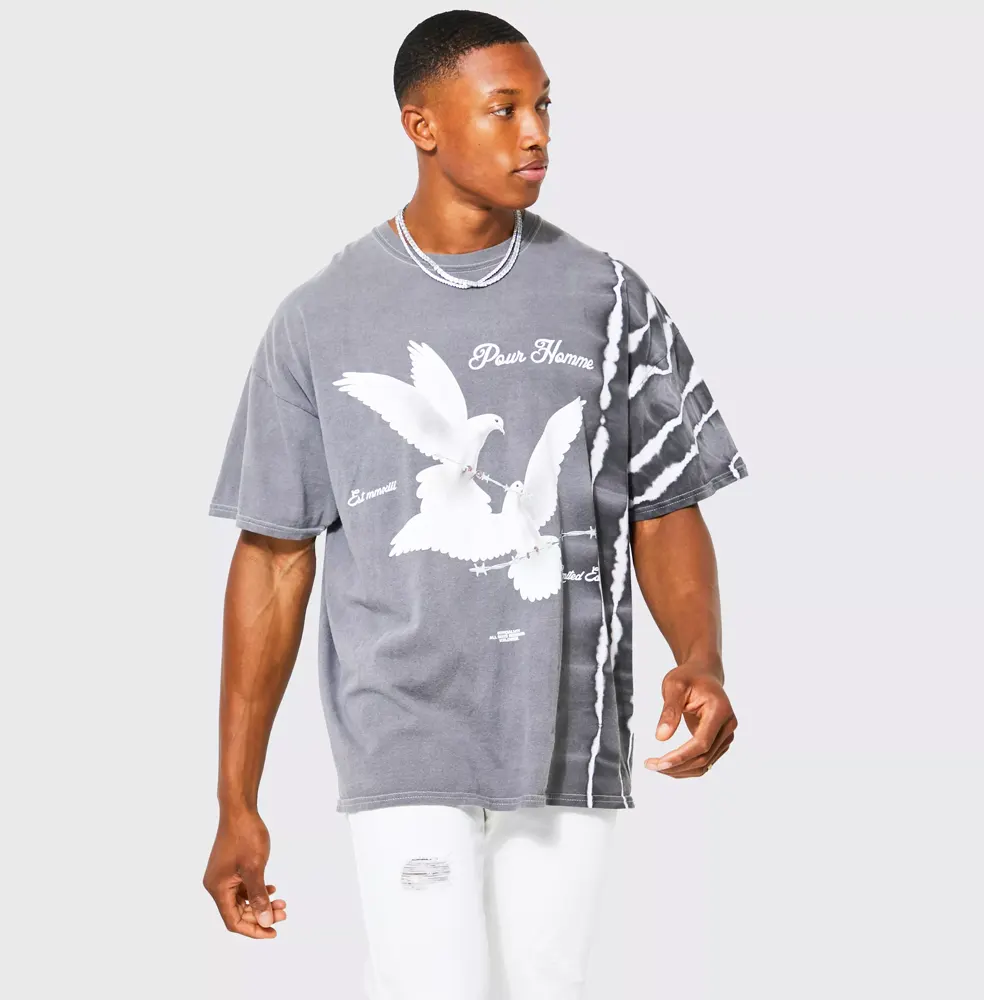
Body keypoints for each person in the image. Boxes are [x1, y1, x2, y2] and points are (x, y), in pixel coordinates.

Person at [201, 10, 748, 999]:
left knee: (547, 985)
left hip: (568, 734)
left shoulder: (608, 297)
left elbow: (665, 501)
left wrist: (700, 657)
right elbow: (274, 555)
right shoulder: (319, 318)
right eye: (504, 110)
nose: (536, 133)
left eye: (544, 108)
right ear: (422, 124)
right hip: (400, 734)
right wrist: (236, 798)